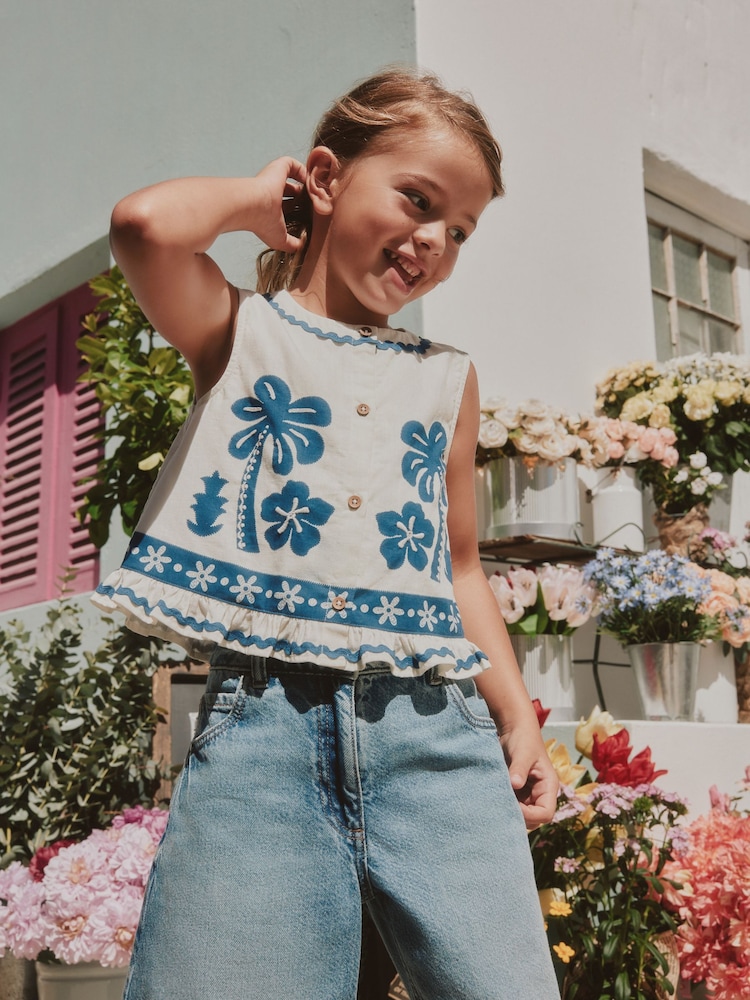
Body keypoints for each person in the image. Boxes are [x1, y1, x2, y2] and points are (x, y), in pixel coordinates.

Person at [95, 67, 560, 1000]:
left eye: (460, 231)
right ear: (328, 176)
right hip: (263, 732)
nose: (434, 240)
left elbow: (459, 564)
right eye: (418, 200)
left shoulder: (447, 380)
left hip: (438, 735)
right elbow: (145, 224)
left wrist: (516, 714)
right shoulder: (240, 333)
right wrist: (266, 201)